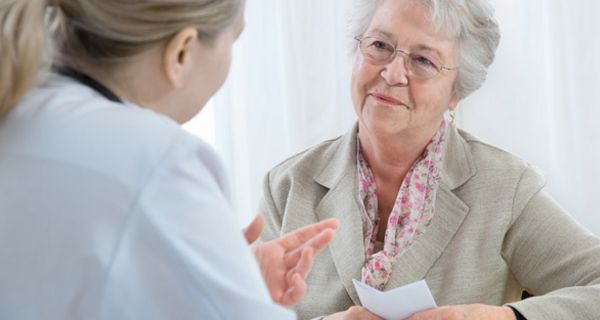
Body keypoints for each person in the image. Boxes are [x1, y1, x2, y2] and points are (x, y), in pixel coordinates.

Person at [258, 0, 600, 319]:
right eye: (379, 46)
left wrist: (501, 317)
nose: (392, 73)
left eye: (423, 61)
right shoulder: (287, 186)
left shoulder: (503, 187)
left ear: (456, 92)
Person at [0, 0, 339, 319]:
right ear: (181, 52)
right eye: (233, 40)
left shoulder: (19, 105)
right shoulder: (157, 161)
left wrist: (214, 283)